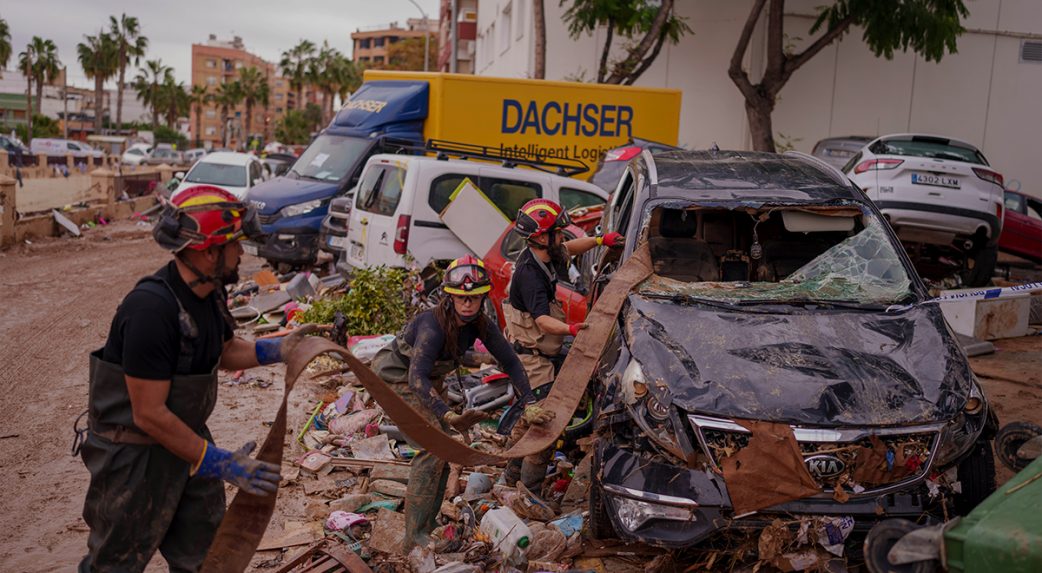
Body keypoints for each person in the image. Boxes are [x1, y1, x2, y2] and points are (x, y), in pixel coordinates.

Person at [77, 185, 312, 572]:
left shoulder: (208, 292)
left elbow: (224, 350)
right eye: (235, 244)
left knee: (208, 557)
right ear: (208, 251)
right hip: (134, 458)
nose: (241, 253)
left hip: (186, 442)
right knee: (115, 562)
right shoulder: (151, 309)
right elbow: (149, 414)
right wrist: (220, 463)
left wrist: (279, 349)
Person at [369, 255, 552, 552]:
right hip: (395, 377)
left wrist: (529, 402)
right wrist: (447, 414)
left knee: (445, 448)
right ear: (449, 296)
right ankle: (413, 537)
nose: (467, 304)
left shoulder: (482, 324)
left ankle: (428, 525)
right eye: (461, 298)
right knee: (432, 449)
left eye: (474, 298)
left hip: (428, 378)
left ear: (483, 297)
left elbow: (511, 362)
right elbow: (416, 379)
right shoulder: (432, 325)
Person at [501, 198, 624, 490]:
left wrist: (600, 240)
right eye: (558, 231)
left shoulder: (546, 255)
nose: (563, 236)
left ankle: (508, 475)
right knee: (545, 424)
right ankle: (528, 490)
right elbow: (543, 322)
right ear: (542, 237)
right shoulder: (530, 275)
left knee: (528, 417)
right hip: (533, 357)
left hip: (544, 350)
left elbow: (569, 249)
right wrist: (572, 329)